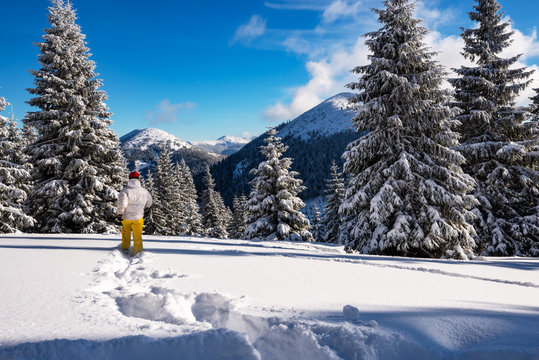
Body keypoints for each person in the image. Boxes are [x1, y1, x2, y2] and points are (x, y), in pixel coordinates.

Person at [117, 171, 152, 255]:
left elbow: (123, 204)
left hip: (126, 217)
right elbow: (149, 203)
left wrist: (120, 213)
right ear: (138, 179)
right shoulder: (145, 191)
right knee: (137, 235)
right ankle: (138, 251)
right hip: (138, 217)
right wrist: (145, 209)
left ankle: (125, 249)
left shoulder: (125, 191)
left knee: (126, 233)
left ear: (129, 179)